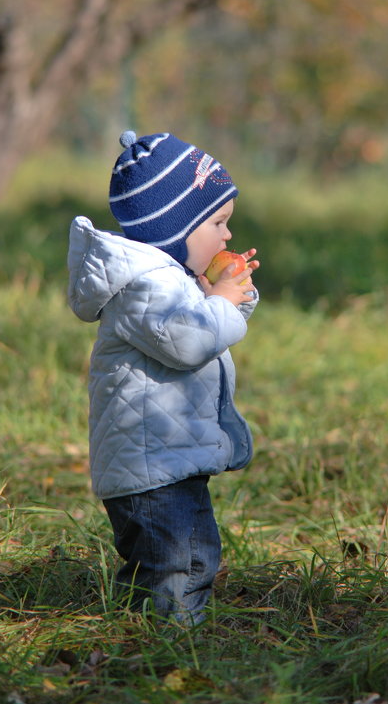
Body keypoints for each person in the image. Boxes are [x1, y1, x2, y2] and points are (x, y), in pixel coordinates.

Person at [67, 130, 259, 623]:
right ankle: (162, 642)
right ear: (175, 228)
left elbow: (203, 326)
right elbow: (191, 340)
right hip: (151, 465)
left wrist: (230, 292)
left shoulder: (169, 278)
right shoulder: (148, 285)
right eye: (217, 223)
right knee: (171, 562)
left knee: (192, 552)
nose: (227, 236)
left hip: (167, 456)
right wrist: (219, 301)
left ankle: (169, 628)